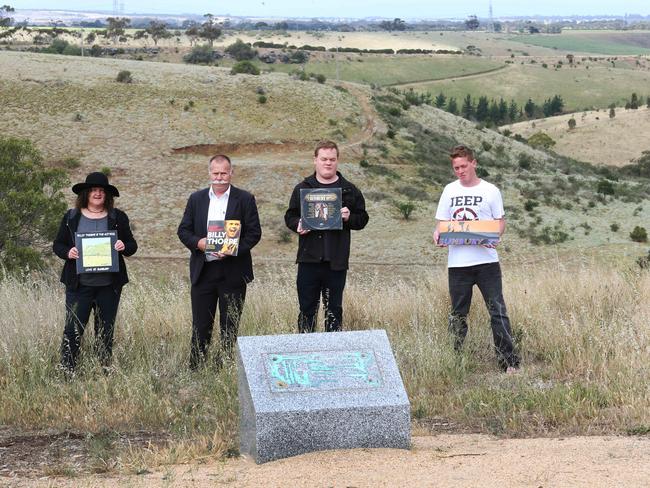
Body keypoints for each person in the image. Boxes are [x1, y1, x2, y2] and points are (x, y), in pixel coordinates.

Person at [433, 145, 520, 373]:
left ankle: (508, 362)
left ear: (474, 163)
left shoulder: (491, 190)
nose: (460, 171)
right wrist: (438, 235)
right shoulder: (449, 190)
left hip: (487, 263)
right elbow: (441, 224)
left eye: (463, 166)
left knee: (497, 311)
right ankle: (456, 361)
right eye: (456, 168)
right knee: (458, 314)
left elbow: (500, 222)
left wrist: (495, 236)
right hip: (458, 265)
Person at [177, 154, 261, 369]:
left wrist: (233, 249)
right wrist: (199, 243)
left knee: (230, 326)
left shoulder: (244, 199)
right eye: (216, 173)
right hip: (203, 271)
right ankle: (196, 369)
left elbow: (254, 234)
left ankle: (225, 369)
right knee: (200, 325)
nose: (220, 177)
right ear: (209, 174)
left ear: (231, 173)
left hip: (233, 272)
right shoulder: (196, 199)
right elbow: (183, 230)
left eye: (224, 173)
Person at [53, 171, 137, 374]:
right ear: (85, 193)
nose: (98, 194)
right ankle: (68, 371)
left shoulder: (118, 217)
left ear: (107, 195)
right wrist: (68, 252)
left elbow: (132, 246)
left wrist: (122, 245)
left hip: (109, 286)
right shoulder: (71, 217)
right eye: (93, 190)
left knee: (105, 332)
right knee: (73, 330)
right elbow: (58, 245)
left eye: (101, 190)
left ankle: (104, 370)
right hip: (79, 286)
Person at [284, 140, 369, 333]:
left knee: (334, 311)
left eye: (332, 159)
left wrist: (349, 218)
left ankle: (333, 356)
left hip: (336, 262)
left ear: (337, 161)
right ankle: (306, 352)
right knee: (307, 311)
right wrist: (297, 225)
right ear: (315, 160)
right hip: (308, 260)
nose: (328, 163)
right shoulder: (302, 188)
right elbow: (290, 215)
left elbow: (363, 219)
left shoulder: (349, 189)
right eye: (324, 159)